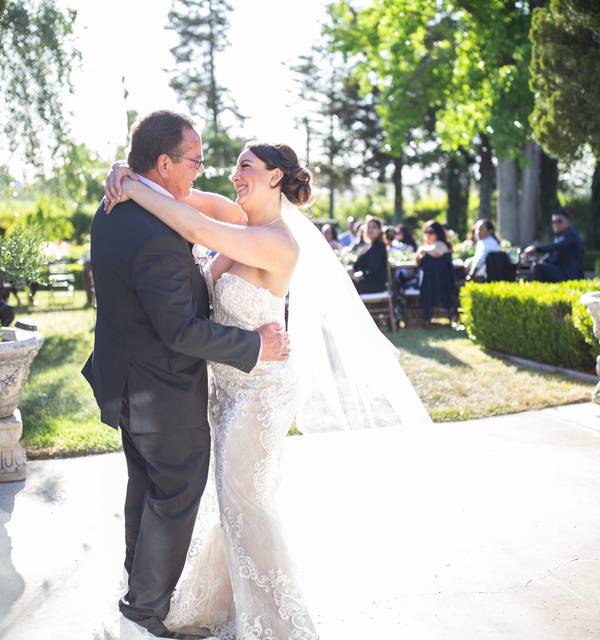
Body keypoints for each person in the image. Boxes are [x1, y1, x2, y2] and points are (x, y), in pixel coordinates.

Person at [104, 128, 432, 639]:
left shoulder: (276, 242)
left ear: (275, 177)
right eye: (234, 167)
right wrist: (121, 173)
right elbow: (186, 196)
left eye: (246, 168)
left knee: (245, 502)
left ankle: (277, 625)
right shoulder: (241, 219)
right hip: (227, 388)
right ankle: (228, 603)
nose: (234, 176)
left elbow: (189, 219)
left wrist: (129, 185)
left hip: (262, 391)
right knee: (231, 502)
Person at [85, 111, 290, 640]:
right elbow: (179, 330)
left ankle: (139, 592)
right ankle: (146, 609)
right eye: (195, 161)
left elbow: (197, 222)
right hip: (162, 386)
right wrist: (255, 345)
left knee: (148, 489)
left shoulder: (113, 208)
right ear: (163, 162)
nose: (205, 170)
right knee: (174, 493)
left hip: (133, 381)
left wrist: (125, 176)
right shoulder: (154, 225)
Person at [521, 209, 584, 282]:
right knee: (537, 265)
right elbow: (551, 255)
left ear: (568, 221)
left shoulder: (570, 235)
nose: (556, 224)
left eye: (559, 221)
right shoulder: (560, 236)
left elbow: (556, 246)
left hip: (569, 275)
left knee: (538, 267)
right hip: (561, 272)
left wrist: (536, 248)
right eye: (554, 222)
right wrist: (535, 259)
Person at [416, 220, 458, 322]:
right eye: (426, 232)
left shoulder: (440, 245)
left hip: (440, 285)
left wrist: (422, 250)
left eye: (431, 232)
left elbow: (436, 251)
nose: (428, 235)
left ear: (438, 233)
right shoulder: (429, 247)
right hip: (432, 284)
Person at [351, 216, 389, 294]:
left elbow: (372, 271)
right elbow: (358, 265)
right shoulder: (369, 246)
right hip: (368, 282)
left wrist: (357, 276)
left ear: (379, 230)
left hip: (375, 285)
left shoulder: (379, 247)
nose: (370, 229)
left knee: (346, 287)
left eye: (374, 227)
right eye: (368, 227)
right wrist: (352, 270)